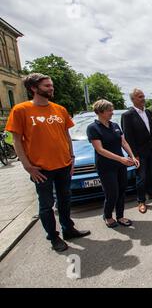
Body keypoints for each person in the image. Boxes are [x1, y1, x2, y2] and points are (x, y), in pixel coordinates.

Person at [5, 73, 90, 253]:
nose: (51, 88)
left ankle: (68, 229)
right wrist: (27, 166)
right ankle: (53, 237)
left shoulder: (60, 109)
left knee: (65, 200)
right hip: (41, 169)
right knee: (46, 205)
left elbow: (66, 135)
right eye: (46, 86)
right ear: (34, 89)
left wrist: (72, 158)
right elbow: (17, 141)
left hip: (64, 165)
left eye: (51, 85)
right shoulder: (21, 110)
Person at [87, 100, 139, 228]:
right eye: (109, 110)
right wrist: (121, 159)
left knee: (122, 191)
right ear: (100, 112)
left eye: (112, 109)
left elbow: (124, 142)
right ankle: (108, 215)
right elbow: (100, 150)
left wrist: (132, 156)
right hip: (106, 166)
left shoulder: (114, 125)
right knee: (112, 193)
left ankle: (120, 216)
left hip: (120, 165)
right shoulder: (93, 128)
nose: (112, 112)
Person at [121, 89, 152, 214]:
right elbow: (128, 137)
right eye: (140, 97)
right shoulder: (128, 115)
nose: (143, 98)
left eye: (143, 96)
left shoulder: (148, 112)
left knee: (151, 174)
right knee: (141, 177)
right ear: (133, 99)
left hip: (150, 150)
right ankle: (141, 201)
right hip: (139, 153)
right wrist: (134, 155)